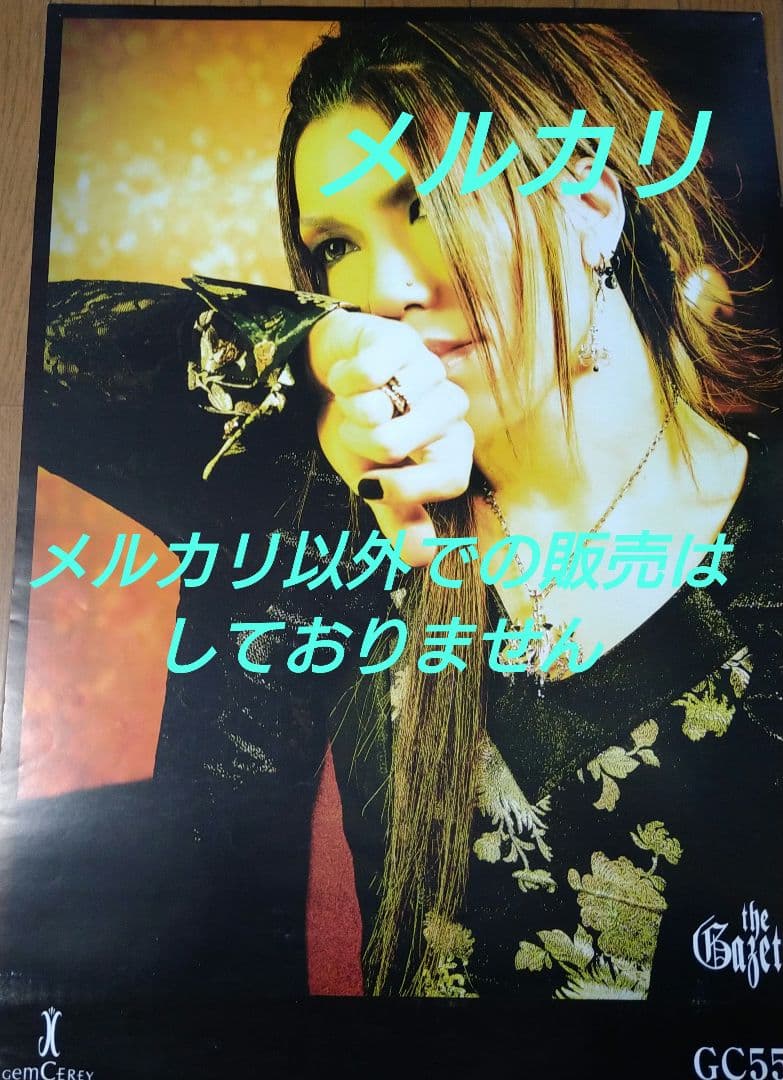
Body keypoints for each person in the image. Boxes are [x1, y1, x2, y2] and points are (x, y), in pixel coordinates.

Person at [1, 17, 781, 1020]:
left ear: (589, 204)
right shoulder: (320, 500)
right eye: (335, 248)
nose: (380, 290)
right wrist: (302, 357)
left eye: (425, 205)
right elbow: (37, 339)